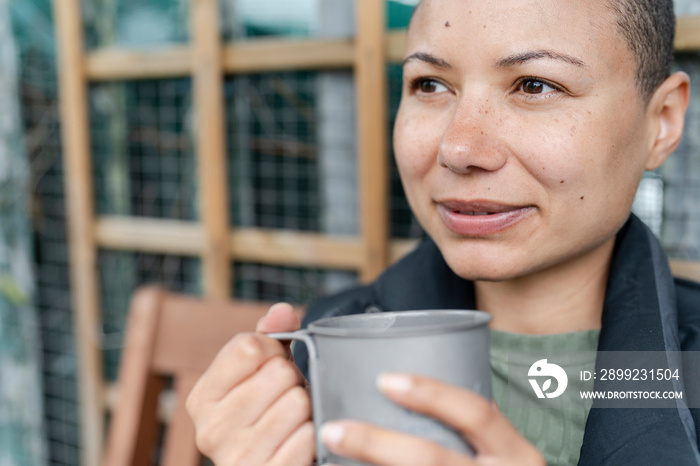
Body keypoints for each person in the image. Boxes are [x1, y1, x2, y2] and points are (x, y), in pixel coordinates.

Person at [186, 0, 700, 464]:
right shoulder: (325, 353)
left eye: (535, 85)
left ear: (663, 121)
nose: (459, 148)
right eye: (430, 85)